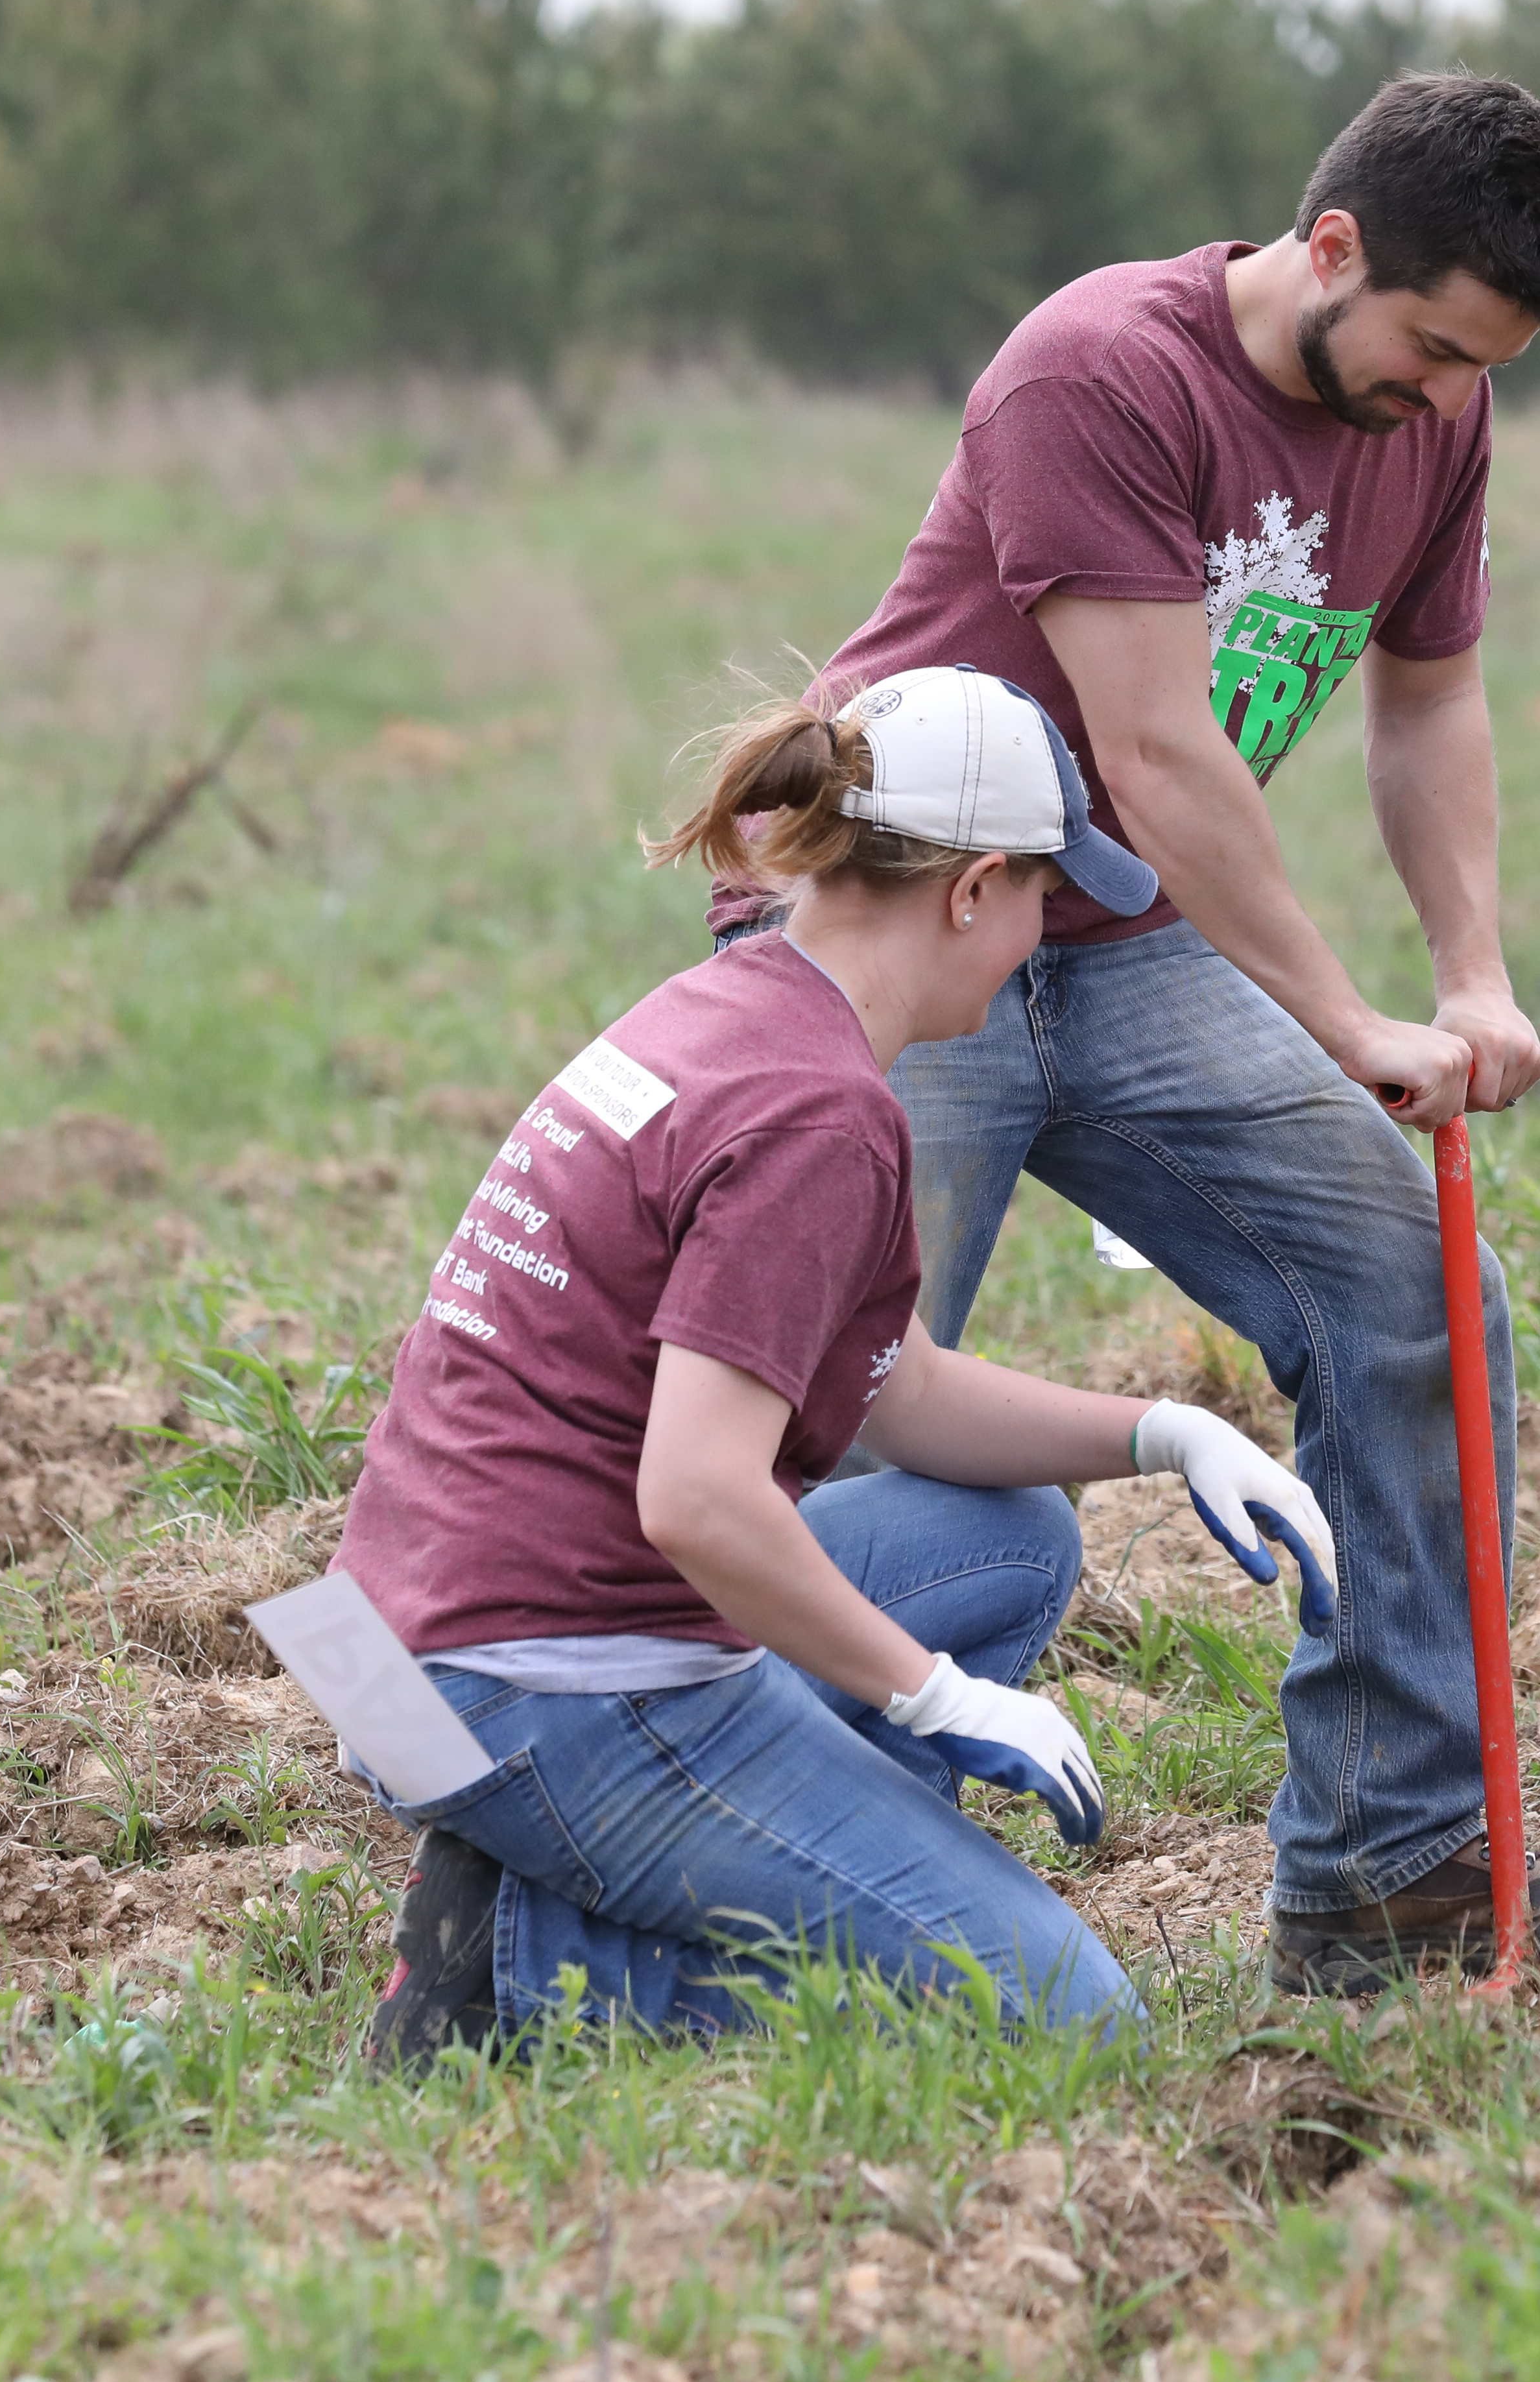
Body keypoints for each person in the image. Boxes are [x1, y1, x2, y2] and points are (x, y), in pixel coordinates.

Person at [773, 73, 1540, 1995]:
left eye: (1478, 368)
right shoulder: (1099, 369)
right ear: (1328, 246)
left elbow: (1426, 706)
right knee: (811, 1389)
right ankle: (693, 1856)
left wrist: (1475, 970)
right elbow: (1159, 742)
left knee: (1410, 1292)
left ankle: (1384, 1863)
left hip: (1120, 937)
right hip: (900, 927)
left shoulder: (1440, 414)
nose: (1443, 396)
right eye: (1428, 346)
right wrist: (1342, 1013)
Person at [335, 668, 1345, 2055]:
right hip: (528, 1685)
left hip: (386, 1641)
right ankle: (532, 1977)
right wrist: (931, 1692)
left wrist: (1168, 1432)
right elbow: (695, 1497)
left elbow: (897, 1386)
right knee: (1071, 2014)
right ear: (973, 889)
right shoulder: (817, 1116)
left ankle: (636, 1862)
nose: (1045, 933)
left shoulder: (743, 1008)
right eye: (1048, 895)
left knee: (1006, 1535)